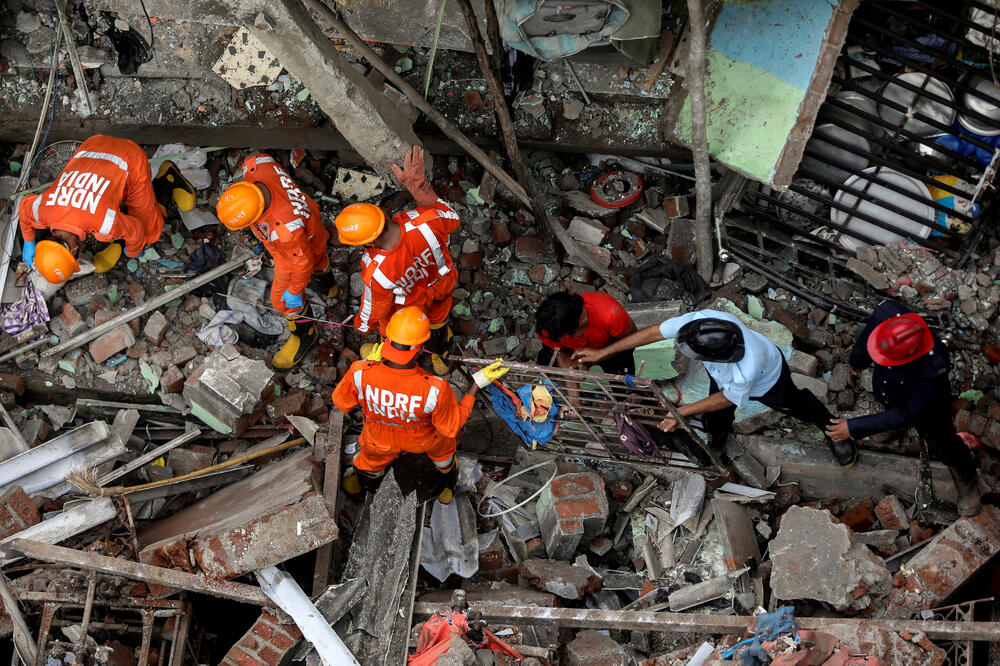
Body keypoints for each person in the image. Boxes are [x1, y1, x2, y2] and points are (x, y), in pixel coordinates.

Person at [574, 309, 858, 467]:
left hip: (768, 382)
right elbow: (651, 333)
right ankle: (717, 440)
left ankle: (833, 430)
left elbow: (727, 398)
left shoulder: (748, 367)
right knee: (715, 418)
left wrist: (681, 412)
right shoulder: (699, 323)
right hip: (721, 379)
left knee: (797, 404)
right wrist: (604, 353)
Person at [332, 306, 508, 503]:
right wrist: (476, 385)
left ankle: (363, 485)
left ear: (387, 340)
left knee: (370, 462)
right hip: (423, 440)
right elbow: (450, 428)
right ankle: (446, 488)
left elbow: (341, 402)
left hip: (379, 438)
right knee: (444, 453)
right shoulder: (434, 388)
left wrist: (369, 366)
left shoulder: (359, 372)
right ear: (422, 348)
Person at [827, 300, 981, 516]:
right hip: (891, 388)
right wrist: (857, 362)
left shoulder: (933, 369)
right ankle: (893, 424)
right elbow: (868, 338)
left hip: (928, 407)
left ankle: (967, 479)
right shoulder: (888, 315)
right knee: (891, 405)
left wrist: (854, 427)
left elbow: (911, 412)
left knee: (942, 441)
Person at [334, 147, 459, 375]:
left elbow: (376, 309)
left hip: (409, 309)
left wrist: (363, 326)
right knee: (439, 318)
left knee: (389, 326)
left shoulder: (377, 271)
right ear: (381, 213)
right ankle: (442, 352)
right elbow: (451, 217)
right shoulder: (425, 221)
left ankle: (398, 353)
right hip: (442, 285)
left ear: (368, 243)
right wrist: (419, 188)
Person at [17, 134, 195, 280]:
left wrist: (133, 251)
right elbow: (24, 207)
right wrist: (29, 241)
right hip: (92, 145)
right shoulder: (42, 211)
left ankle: (168, 177)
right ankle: (118, 236)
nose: (78, 254)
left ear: (70, 249)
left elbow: (136, 230)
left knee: (150, 232)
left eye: (74, 256)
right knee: (114, 216)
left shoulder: (104, 224)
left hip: (129, 158)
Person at [216, 153, 335, 369]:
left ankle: (306, 335)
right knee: (320, 258)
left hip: (294, 247)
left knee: (281, 300)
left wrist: (296, 290)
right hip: (311, 223)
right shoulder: (258, 166)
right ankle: (330, 286)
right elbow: (258, 160)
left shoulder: (284, 231)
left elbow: (301, 262)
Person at [535, 291, 637, 375]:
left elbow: (631, 339)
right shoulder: (546, 325)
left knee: (624, 387)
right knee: (546, 368)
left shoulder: (610, 314)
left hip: (609, 347)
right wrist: (573, 393)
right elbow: (561, 352)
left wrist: (600, 354)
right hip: (572, 351)